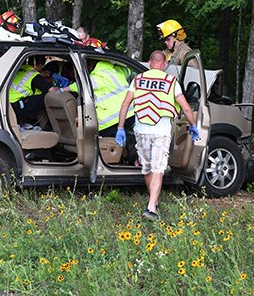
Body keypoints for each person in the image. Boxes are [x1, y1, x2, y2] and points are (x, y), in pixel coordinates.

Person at [116, 50, 200, 220]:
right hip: (161, 131)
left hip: (141, 131)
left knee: (147, 168)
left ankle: (152, 203)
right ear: (163, 64)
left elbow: (125, 104)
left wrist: (120, 127)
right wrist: (193, 125)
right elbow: (185, 107)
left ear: (149, 62)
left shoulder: (138, 80)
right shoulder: (171, 81)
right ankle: (152, 207)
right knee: (157, 169)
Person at [61, 60, 136, 163]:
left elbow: (80, 86)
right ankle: (134, 163)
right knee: (133, 143)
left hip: (109, 121)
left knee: (108, 142)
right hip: (130, 114)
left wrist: (62, 90)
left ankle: (124, 162)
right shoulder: (116, 71)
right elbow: (128, 69)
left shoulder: (94, 78)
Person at [9, 55, 59, 124]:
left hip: (8, 102)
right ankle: (28, 121)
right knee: (46, 95)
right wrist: (63, 88)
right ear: (40, 64)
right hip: (17, 107)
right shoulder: (34, 76)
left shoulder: (23, 68)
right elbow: (52, 90)